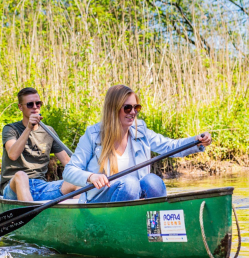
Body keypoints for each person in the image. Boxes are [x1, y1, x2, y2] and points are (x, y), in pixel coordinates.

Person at [63, 85, 212, 203]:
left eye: (136, 107)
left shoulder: (140, 130)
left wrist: (197, 141)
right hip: (100, 201)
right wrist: (91, 177)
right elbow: (69, 171)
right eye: (127, 107)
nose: (133, 112)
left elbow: (169, 146)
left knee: (152, 181)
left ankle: (156, 228)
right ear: (113, 109)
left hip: (134, 198)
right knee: (130, 183)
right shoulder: (93, 135)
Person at [0, 87, 78, 201]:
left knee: (77, 184)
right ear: (20, 107)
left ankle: (78, 217)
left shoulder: (48, 131)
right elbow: (13, 154)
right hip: (14, 186)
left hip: (40, 187)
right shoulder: (11, 129)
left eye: (38, 103)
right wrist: (29, 128)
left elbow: (67, 161)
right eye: (30, 104)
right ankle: (31, 216)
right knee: (21, 175)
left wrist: (88, 176)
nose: (35, 107)